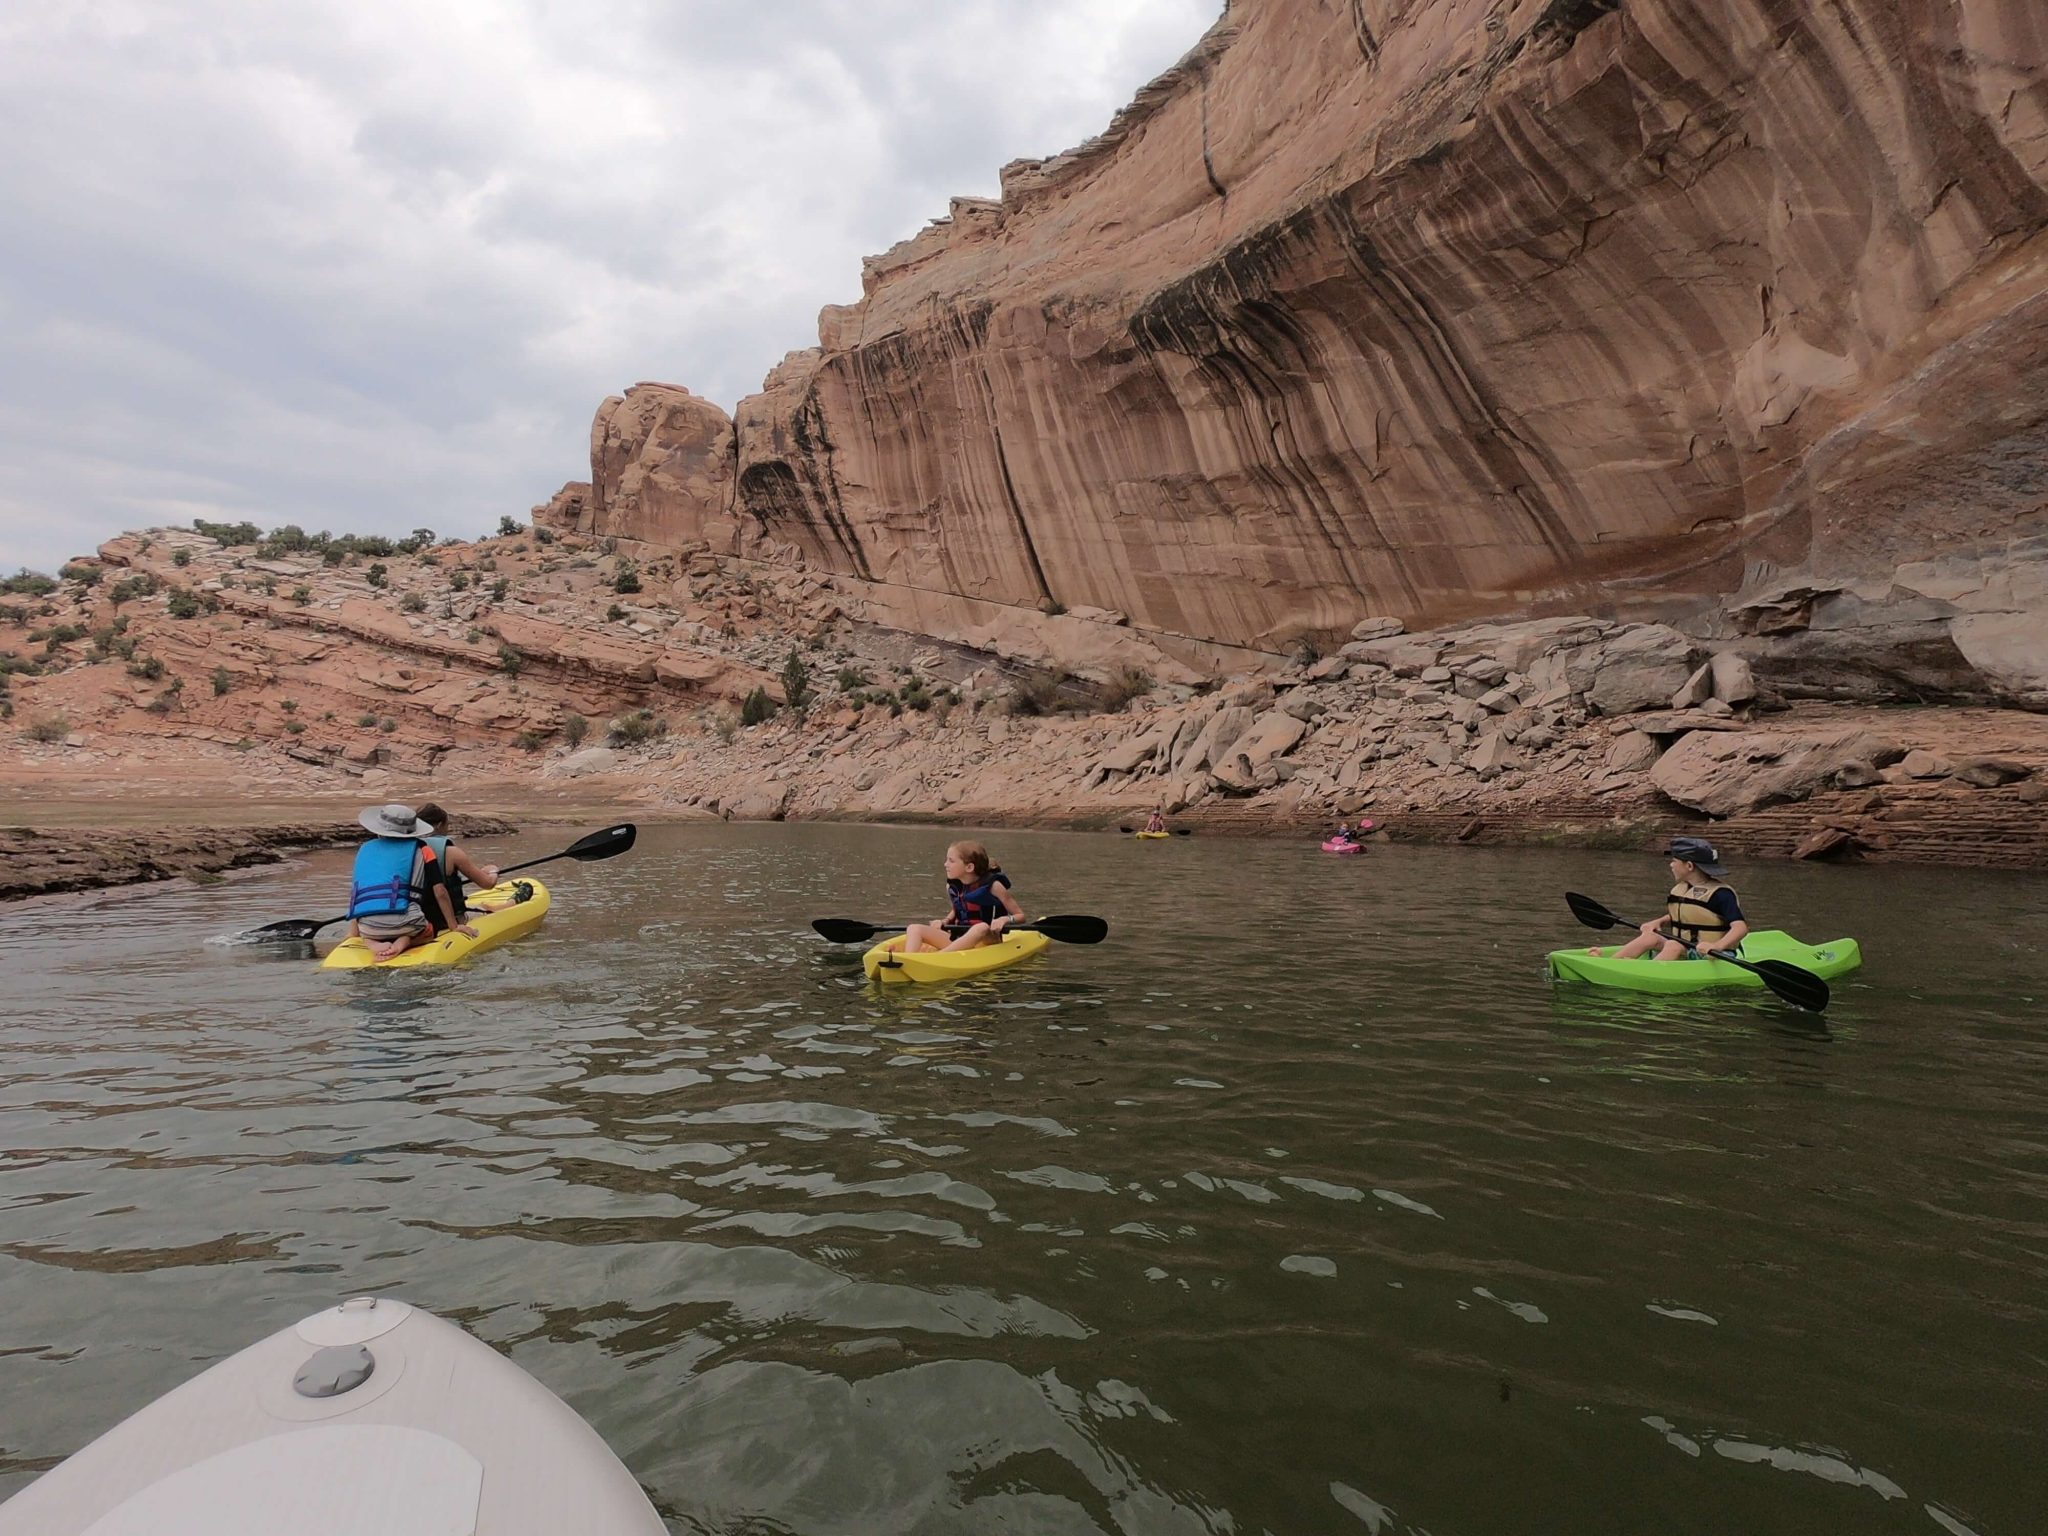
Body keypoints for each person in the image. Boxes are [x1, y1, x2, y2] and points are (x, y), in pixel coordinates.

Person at [346, 803, 476, 961]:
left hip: (367, 927)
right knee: (428, 931)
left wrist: (353, 934)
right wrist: (454, 926)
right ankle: (404, 941)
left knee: (372, 930)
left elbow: (357, 893)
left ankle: (371, 943)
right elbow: (440, 891)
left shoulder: (365, 849)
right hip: (408, 923)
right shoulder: (423, 849)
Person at [1589, 836, 1750, 963]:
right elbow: (1687, 914)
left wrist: (1716, 946)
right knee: (1649, 937)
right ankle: (1613, 963)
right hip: (1686, 947)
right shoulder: (1684, 888)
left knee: (1673, 944)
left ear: (1689, 866)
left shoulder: (1721, 894)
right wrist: (1658, 922)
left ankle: (1646, 972)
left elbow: (1740, 928)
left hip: (1713, 954)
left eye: (1674, 861)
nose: (1671, 865)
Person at [887, 840, 1025, 955]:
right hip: (959, 937)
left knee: (981, 927)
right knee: (914, 928)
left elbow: (1020, 916)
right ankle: (909, 960)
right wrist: (944, 921)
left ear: (969, 867)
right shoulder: (952, 887)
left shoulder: (994, 886)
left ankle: (938, 958)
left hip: (987, 940)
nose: (945, 864)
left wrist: (1005, 919)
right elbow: (957, 909)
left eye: (951, 861)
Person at [414, 803, 500, 935]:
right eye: (447, 825)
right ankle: (513, 902)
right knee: (484, 908)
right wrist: (493, 871)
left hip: (415, 920)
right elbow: (487, 884)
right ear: (439, 825)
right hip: (449, 921)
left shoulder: (407, 850)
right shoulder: (452, 852)